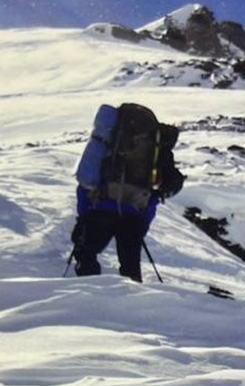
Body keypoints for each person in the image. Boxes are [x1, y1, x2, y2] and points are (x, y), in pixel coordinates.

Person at [72, 112, 184, 283]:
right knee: (130, 265)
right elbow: (153, 198)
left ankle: (90, 294)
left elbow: (85, 185)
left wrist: (83, 218)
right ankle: (132, 303)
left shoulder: (110, 144)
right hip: (134, 213)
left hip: (101, 209)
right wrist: (141, 226)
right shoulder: (153, 156)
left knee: (86, 253)